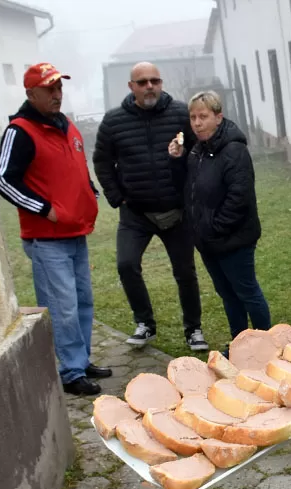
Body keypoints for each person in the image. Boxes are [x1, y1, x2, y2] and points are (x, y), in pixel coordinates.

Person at [0, 63, 111, 395]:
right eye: (49, 89)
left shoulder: (65, 125)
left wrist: (89, 192)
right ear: (31, 94)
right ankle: (71, 371)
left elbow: (76, 167)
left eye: (59, 87)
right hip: (47, 239)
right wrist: (45, 209)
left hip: (75, 232)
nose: (57, 94)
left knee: (82, 302)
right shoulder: (20, 131)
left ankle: (81, 360)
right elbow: (3, 179)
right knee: (63, 308)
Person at [93, 62, 209, 351]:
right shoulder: (114, 121)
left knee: (185, 272)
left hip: (176, 210)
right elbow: (102, 162)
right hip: (136, 213)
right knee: (126, 265)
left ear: (161, 83)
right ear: (131, 87)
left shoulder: (181, 113)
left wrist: (189, 185)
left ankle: (194, 329)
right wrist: (117, 196)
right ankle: (144, 323)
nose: (149, 87)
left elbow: (200, 152)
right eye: (142, 82)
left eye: (154, 81)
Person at [168, 91, 270, 343]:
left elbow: (239, 196)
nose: (197, 123)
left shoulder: (234, 150)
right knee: (227, 294)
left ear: (218, 117)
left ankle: (266, 343)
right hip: (208, 240)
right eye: (193, 117)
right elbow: (188, 189)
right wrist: (177, 160)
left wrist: (214, 228)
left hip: (233, 239)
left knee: (247, 292)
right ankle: (239, 344)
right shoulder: (198, 151)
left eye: (203, 116)